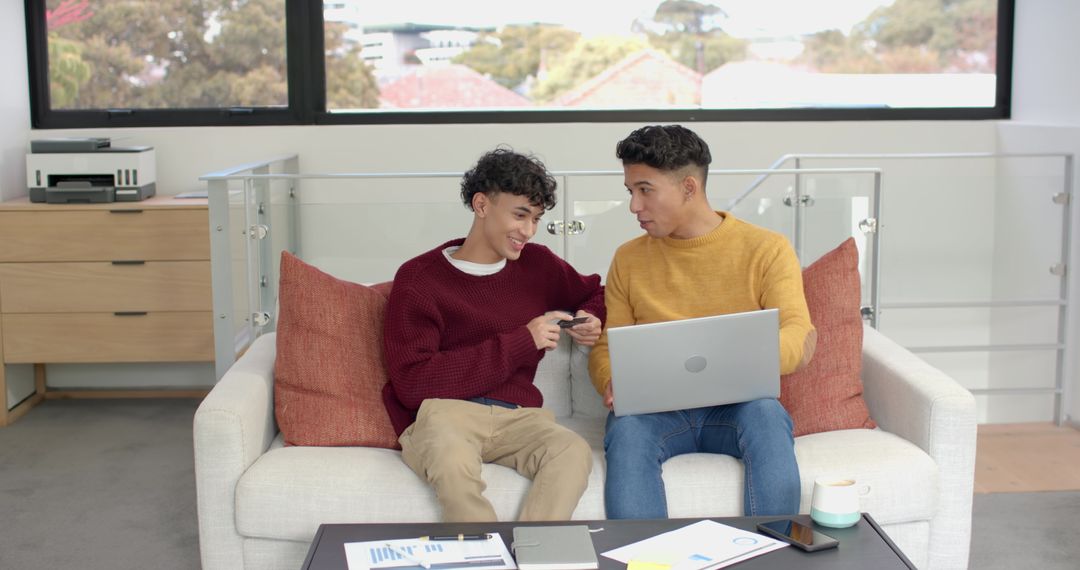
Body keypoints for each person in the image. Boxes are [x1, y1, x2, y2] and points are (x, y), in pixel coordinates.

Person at [588, 125, 817, 519]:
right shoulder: (628, 258)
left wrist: (740, 357)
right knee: (626, 431)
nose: (634, 206)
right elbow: (609, 345)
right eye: (631, 192)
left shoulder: (767, 249)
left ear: (689, 188)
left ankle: (773, 558)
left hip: (738, 409)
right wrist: (611, 380)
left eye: (645, 190)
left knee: (766, 414)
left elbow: (800, 335)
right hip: (655, 412)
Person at [381, 147, 606, 523]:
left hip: (519, 418)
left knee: (572, 451)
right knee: (452, 465)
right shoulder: (419, 279)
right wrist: (523, 340)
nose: (528, 231)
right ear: (482, 204)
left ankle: (536, 554)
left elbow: (596, 292)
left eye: (535, 218)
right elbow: (414, 382)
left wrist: (590, 316)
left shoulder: (539, 265)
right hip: (445, 415)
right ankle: (483, 555)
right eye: (520, 215)